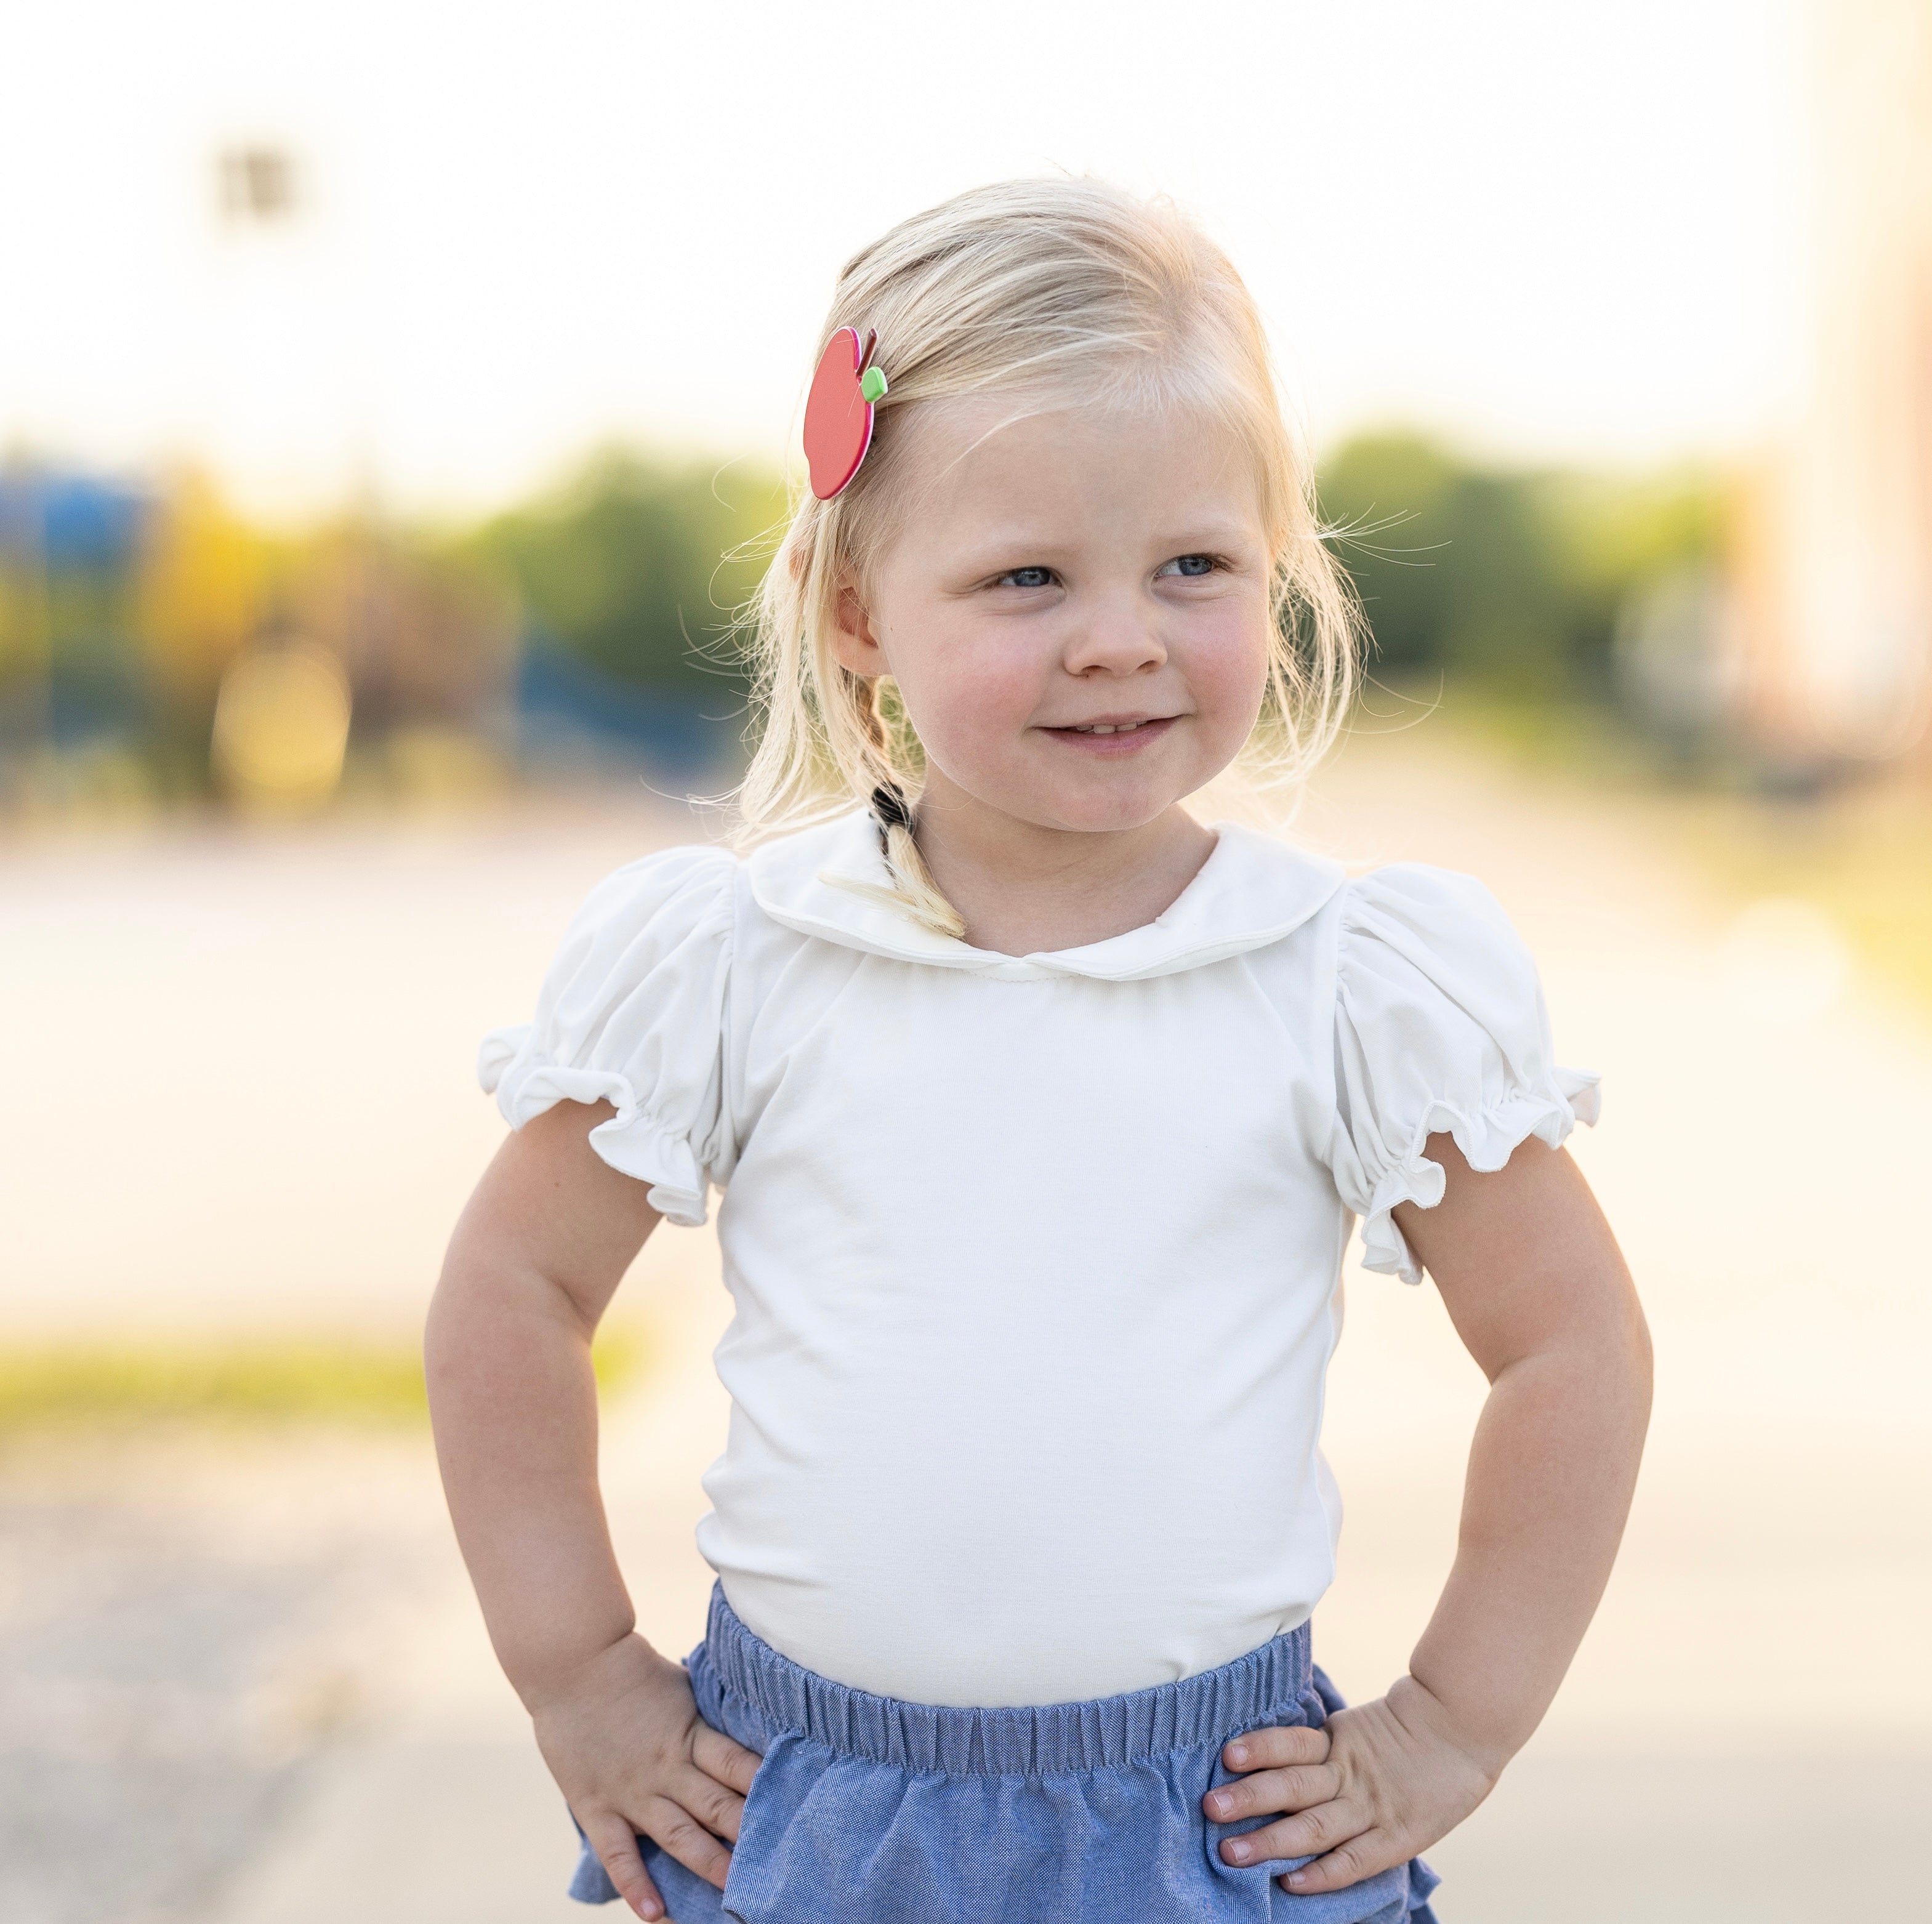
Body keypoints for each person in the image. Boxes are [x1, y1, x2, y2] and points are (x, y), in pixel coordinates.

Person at [425, 177, 1651, 1923]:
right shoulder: (740, 959)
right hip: (807, 1813)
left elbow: (1569, 1347)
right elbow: (510, 1296)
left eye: (1192, 567)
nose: (1118, 636)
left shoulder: (1342, 975)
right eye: (1025, 577)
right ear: (857, 612)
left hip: (1208, 1826)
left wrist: (1449, 1730)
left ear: (1277, 577)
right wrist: (577, 1674)